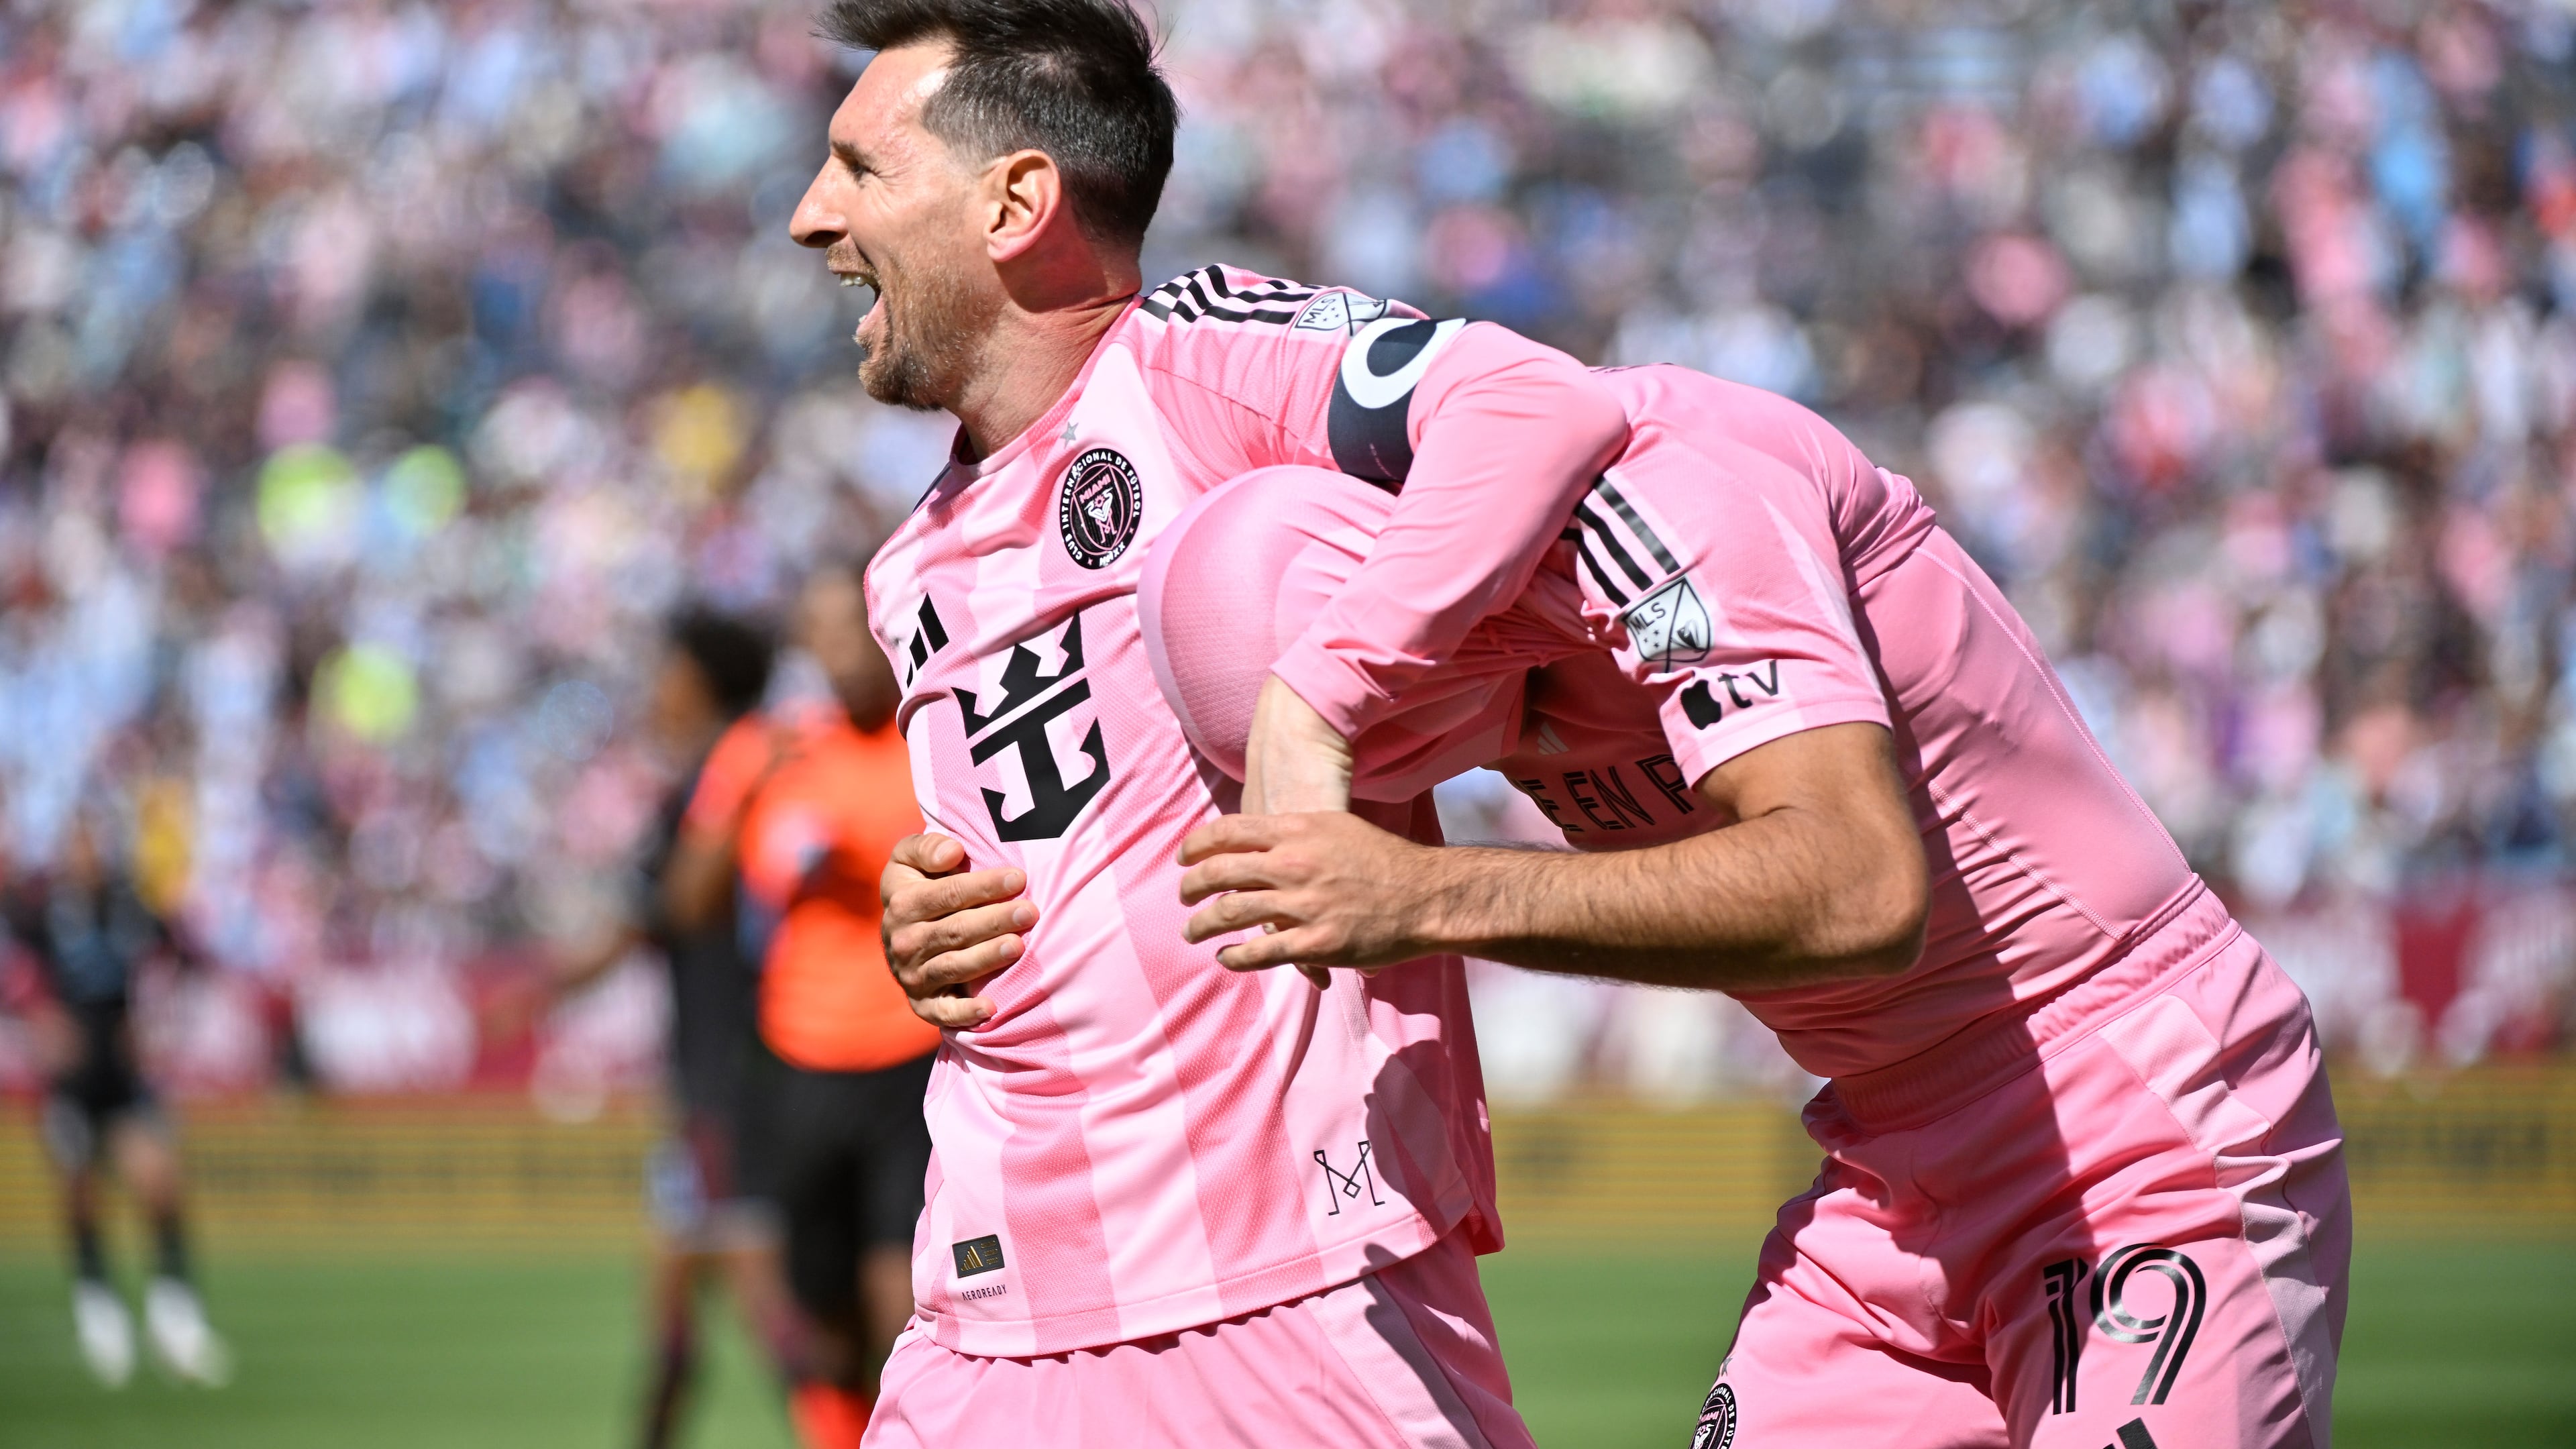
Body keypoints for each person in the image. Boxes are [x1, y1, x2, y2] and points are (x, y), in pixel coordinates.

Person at [1116, 371, 2347, 1448]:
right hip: (1888, 1165)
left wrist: (1431, 895)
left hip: (2130, 1113)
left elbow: (1859, 891)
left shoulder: (1669, 494)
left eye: (1366, 744)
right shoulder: (1471, 626)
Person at [791, 1, 1635, 1442]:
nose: (814, 219)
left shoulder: (1195, 363)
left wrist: (1321, 703)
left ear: (1016, 202)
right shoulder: (911, 564)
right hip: (984, 1319)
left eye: (861, 169)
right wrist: (922, 921)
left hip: (1289, 1295)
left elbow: (1531, 403)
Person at [666, 566, 938, 1449]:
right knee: (820, 1322)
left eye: (847, 622)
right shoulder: (765, 749)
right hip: (799, 1065)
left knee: (903, 1300)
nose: (835, 643)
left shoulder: (931, 733)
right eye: (815, 627)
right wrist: (747, 792)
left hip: (912, 1056)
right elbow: (688, 905)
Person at [543, 606, 802, 1449]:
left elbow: (658, 916)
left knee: (764, 1307)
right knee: (677, 1309)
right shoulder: (752, 767)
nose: (656, 689)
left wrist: (537, 992)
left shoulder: (723, 782)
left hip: (733, 1079)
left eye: (669, 670)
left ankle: (869, 1423)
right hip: (726, 1078)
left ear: (701, 681)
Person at [1, 804, 229, 1388]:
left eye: (93, 843)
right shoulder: (41, 911)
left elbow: (185, 957)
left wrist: (158, 1028)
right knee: (81, 1192)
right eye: (77, 844)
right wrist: (36, 1022)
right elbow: (17, 978)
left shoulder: (132, 905)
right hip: (73, 1082)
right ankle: (98, 1305)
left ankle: (174, 1313)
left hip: (124, 1075)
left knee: (160, 1183)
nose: (86, 855)